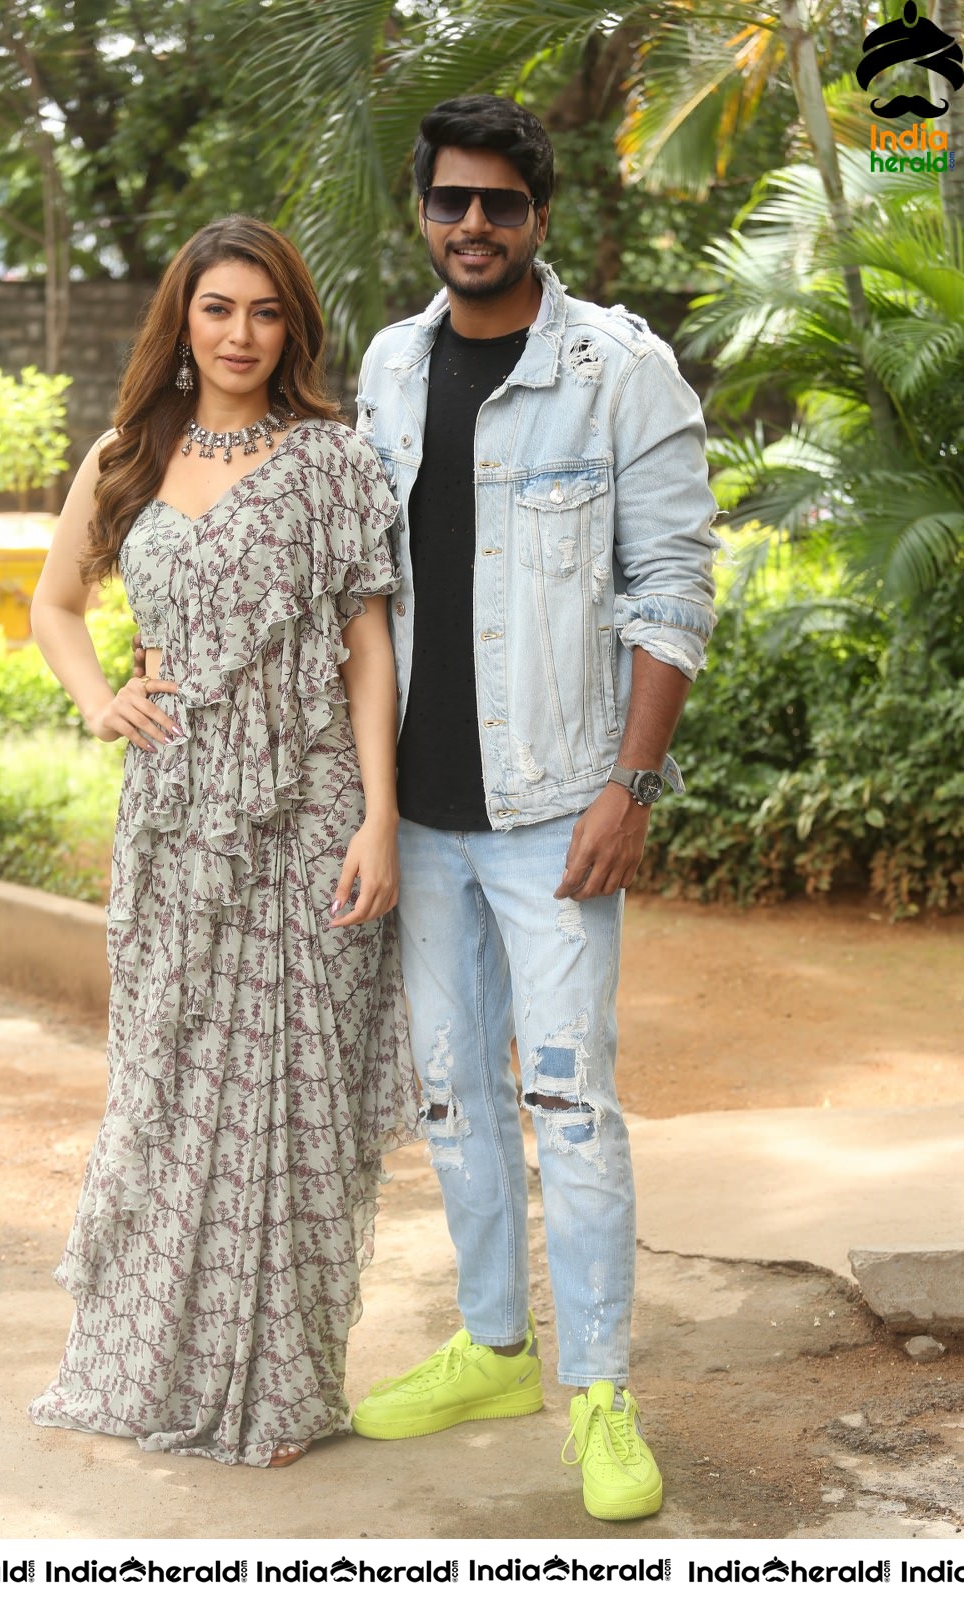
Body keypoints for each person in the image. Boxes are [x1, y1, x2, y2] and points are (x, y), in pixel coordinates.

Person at [347, 96, 719, 1522]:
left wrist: (629, 786)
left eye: (499, 203)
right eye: (450, 201)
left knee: (568, 1102)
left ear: (538, 218)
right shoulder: (389, 366)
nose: (472, 225)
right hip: (417, 817)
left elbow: (671, 588)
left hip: (557, 809)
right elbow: (355, 590)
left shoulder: (615, 370)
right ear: (423, 213)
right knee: (449, 1093)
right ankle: (494, 1349)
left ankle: (601, 1392)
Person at [28, 215, 418, 1469]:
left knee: (294, 1099)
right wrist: (101, 700)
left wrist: (377, 817)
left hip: (308, 810)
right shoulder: (126, 453)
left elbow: (366, 648)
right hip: (177, 813)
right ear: (182, 321)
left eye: (263, 311)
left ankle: (282, 1386)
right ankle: (163, 1362)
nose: (240, 334)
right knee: (170, 1084)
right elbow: (55, 604)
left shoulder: (330, 461)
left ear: (290, 325)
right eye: (217, 309)